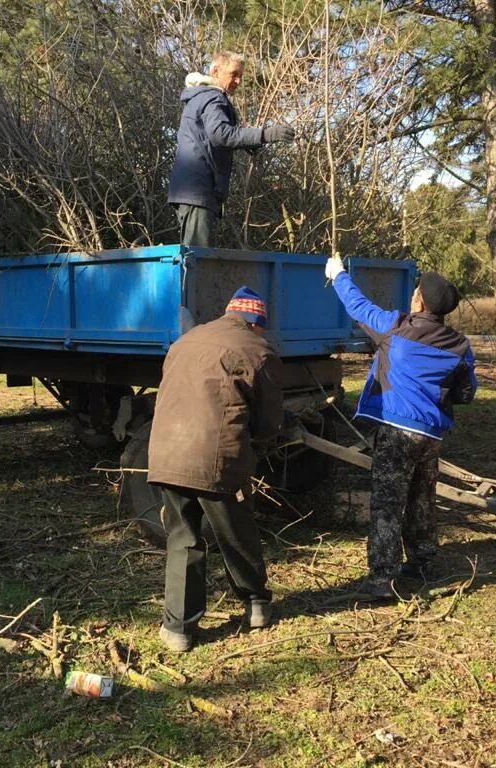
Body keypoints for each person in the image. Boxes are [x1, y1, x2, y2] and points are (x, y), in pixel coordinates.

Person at [325, 256, 477, 599]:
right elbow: (467, 393)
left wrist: (338, 275)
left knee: (387, 503)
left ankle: (382, 578)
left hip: (396, 431)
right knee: (422, 497)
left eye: (415, 292)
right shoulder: (459, 345)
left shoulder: (395, 328)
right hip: (431, 435)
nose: (412, 296)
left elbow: (358, 306)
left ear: (420, 301)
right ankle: (423, 562)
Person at [147, 286, 283, 652]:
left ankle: (178, 629)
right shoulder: (258, 350)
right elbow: (270, 424)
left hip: (165, 454)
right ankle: (256, 604)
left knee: (183, 538)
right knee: (236, 531)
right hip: (216, 459)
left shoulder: (184, 342)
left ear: (228, 313)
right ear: (257, 323)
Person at [167, 51, 295, 247]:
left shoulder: (200, 97)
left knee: (193, 256)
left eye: (241, 76)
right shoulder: (213, 97)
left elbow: (207, 138)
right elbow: (222, 134)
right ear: (216, 71)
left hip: (190, 189)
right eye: (234, 74)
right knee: (195, 260)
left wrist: (247, 143)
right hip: (198, 190)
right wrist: (266, 134)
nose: (238, 81)